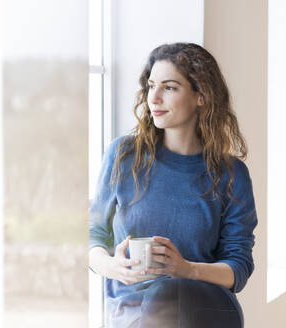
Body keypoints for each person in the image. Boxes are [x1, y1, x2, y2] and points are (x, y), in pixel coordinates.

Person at [89, 42, 257, 328]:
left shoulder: (231, 174)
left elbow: (238, 268)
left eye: (169, 87)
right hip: (132, 313)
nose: (153, 98)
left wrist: (186, 269)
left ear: (201, 96)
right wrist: (114, 268)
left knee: (169, 292)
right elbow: (94, 236)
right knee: (161, 298)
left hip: (204, 310)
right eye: (151, 85)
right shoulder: (123, 156)